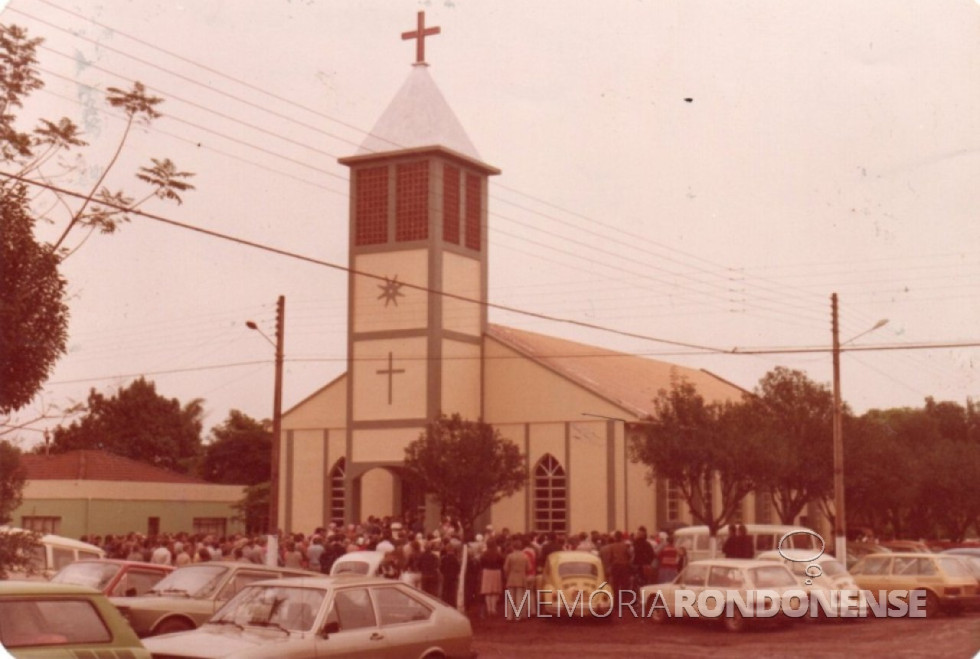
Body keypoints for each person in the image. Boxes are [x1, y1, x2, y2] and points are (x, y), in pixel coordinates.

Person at [502, 539, 530, 621]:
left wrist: (508, 575)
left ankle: (509, 616)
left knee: (510, 598)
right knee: (519, 597)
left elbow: (505, 568)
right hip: (521, 577)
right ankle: (518, 616)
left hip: (511, 576)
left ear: (513, 547)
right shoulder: (525, 556)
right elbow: (529, 568)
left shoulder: (510, 556)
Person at [479, 541, 504, 617]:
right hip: (496, 572)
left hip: (487, 572)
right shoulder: (498, 554)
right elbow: (502, 562)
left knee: (487, 591)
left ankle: (489, 609)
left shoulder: (484, 554)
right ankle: (493, 609)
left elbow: (481, 563)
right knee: (494, 591)